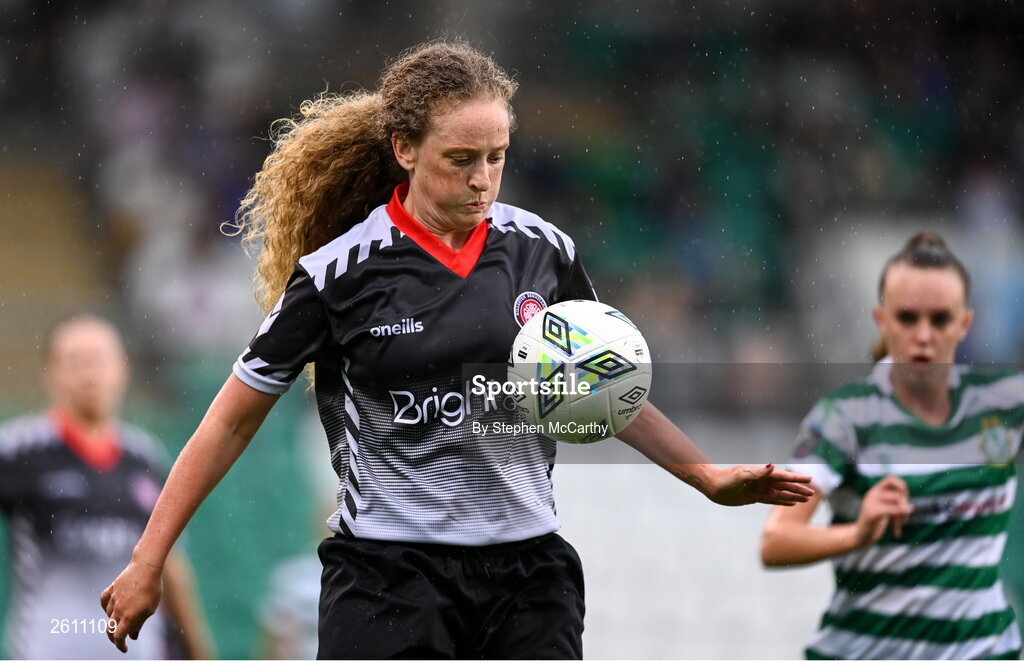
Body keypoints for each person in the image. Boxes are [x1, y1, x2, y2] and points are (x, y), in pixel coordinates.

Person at [101, 39, 813, 659]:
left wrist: (706, 476)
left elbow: (605, 388)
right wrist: (148, 556)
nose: (481, 178)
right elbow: (229, 419)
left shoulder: (543, 251)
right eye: (461, 158)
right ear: (405, 150)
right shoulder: (336, 276)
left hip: (529, 578)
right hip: (388, 578)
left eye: (496, 158)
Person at [761, 232, 1022, 659]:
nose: (924, 335)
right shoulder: (842, 419)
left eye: (939, 319)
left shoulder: (1004, 405)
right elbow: (777, 541)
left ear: (965, 323)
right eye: (907, 318)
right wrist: (858, 533)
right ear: (881, 320)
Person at [0, 314, 213, 660]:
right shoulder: (17, 450)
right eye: (75, 361)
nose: (89, 372)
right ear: (49, 373)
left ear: (122, 369)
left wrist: (198, 653)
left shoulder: (145, 456)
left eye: (99, 359)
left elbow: (170, 564)